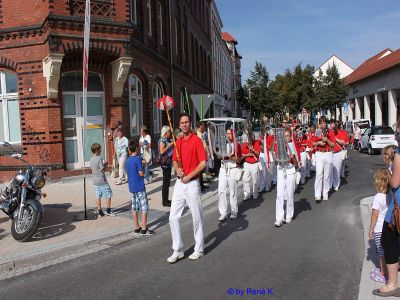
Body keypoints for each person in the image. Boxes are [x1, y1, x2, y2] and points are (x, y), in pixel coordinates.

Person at [167, 113, 207, 263]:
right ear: (179, 125)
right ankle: (177, 249)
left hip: (192, 183)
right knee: (173, 217)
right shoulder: (178, 141)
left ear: (190, 123)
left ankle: (199, 249)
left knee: (196, 217)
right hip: (179, 183)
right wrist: (177, 169)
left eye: (186, 122)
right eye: (182, 123)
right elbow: (175, 161)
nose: (184, 125)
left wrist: (189, 176)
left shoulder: (196, 140)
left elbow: (203, 163)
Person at [373, 147, 400, 297]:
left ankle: (392, 284)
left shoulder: (399, 153)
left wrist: (388, 173)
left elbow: (395, 183)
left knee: (387, 239)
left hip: (397, 205)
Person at [126, 139, 155, 236]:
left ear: (129, 150)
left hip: (132, 187)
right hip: (140, 187)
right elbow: (141, 173)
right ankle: (144, 228)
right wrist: (143, 165)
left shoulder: (127, 160)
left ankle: (136, 227)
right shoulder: (138, 159)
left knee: (134, 208)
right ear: (137, 149)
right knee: (144, 208)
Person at [369, 168, 390, 284]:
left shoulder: (378, 197)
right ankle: (389, 269)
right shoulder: (391, 195)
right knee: (387, 250)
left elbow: (374, 215)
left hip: (379, 229)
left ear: (379, 182)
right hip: (389, 228)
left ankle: (383, 273)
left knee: (381, 252)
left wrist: (371, 228)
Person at [274, 128, 298, 227]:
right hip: (281, 170)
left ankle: (289, 214)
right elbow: (275, 162)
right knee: (279, 194)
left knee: (289, 194)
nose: (286, 137)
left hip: (290, 170)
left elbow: (297, 164)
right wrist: (278, 156)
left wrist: (293, 157)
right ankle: (279, 218)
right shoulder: (278, 146)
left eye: (288, 136)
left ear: (290, 136)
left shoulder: (293, 146)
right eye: (284, 136)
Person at [218, 128, 242, 221]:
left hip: (232, 168)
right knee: (221, 190)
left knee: (233, 191)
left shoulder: (237, 145)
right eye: (227, 133)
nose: (228, 135)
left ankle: (233, 211)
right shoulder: (223, 144)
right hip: (223, 168)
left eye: (230, 133)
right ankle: (223, 212)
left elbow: (239, 160)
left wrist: (232, 157)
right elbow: (218, 155)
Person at [311, 116, 335, 202]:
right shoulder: (317, 132)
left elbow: (333, 145)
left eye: (324, 122)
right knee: (319, 173)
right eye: (321, 123)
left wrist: (327, 140)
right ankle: (317, 195)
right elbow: (312, 143)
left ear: (326, 123)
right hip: (319, 153)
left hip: (328, 153)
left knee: (327, 175)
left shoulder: (330, 132)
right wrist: (318, 142)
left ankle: (325, 193)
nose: (322, 124)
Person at [89, 143, 115, 217]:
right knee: (108, 194)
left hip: (95, 180)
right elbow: (102, 170)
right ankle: (108, 211)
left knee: (98, 195)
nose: (101, 150)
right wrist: (106, 164)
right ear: (97, 150)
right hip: (102, 180)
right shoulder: (99, 158)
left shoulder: (91, 159)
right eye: (100, 149)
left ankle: (100, 211)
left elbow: (92, 168)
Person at [242, 133, 261, 201]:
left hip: (254, 163)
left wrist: (252, 149)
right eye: (248, 136)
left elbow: (258, 154)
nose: (249, 138)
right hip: (247, 163)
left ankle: (255, 193)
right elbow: (242, 154)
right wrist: (248, 154)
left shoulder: (256, 143)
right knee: (245, 179)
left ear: (252, 137)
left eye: (250, 136)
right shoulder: (244, 144)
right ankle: (247, 194)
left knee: (255, 180)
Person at [159, 125, 174, 207]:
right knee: (165, 182)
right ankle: (164, 201)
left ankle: (166, 199)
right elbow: (161, 152)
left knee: (167, 182)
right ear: (166, 132)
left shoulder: (167, 139)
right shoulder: (162, 140)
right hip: (165, 163)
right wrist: (169, 145)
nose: (170, 133)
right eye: (169, 132)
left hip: (168, 162)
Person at [331, 120, 347, 191]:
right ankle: (330, 184)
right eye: (331, 124)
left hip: (338, 153)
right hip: (330, 153)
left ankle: (336, 184)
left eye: (334, 125)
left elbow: (343, 142)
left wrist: (336, 139)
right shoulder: (329, 132)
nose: (333, 126)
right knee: (330, 170)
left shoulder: (341, 132)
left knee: (337, 170)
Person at [196, 121, 209, 191]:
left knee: (202, 171)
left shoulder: (201, 134)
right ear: (200, 126)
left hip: (204, 153)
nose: (203, 126)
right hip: (200, 155)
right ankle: (200, 186)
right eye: (202, 125)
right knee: (200, 171)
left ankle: (202, 185)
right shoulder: (197, 134)